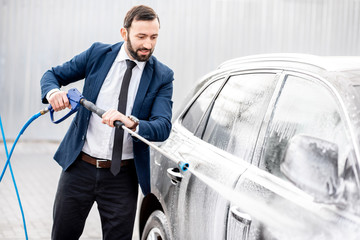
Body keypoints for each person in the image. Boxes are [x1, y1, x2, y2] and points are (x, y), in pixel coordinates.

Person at [40, 5, 174, 240]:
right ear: (124, 34)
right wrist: (53, 93)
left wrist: (131, 122)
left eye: (154, 37)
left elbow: (163, 126)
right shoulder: (97, 55)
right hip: (78, 168)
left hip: (122, 177)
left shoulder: (163, 75)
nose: (148, 45)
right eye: (141, 36)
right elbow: (52, 75)